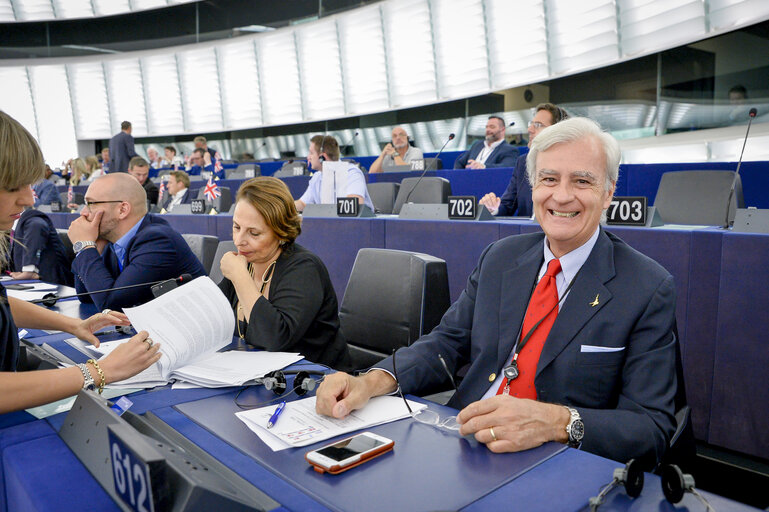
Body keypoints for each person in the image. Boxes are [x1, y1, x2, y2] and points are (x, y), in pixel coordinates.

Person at [316, 117, 678, 467]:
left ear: (608, 192)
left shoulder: (646, 287)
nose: (562, 195)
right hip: (462, 445)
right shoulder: (500, 257)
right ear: (533, 186)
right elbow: (445, 343)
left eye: (582, 181)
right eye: (548, 179)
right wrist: (372, 382)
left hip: (557, 462)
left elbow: (650, 428)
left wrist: (555, 422)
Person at [0, 110, 161, 415]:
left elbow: (2, 303)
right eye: (12, 187)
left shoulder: (155, 237)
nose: (28, 199)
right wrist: (98, 373)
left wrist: (72, 324)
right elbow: (105, 298)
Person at [218, 177, 351, 370]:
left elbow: (274, 338)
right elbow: (211, 316)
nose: (239, 241)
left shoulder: (304, 268)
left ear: (281, 232)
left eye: (254, 233)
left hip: (315, 383)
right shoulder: (245, 261)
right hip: (255, 375)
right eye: (236, 227)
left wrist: (239, 277)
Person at [67, 172, 206, 311]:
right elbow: (86, 296)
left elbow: (111, 305)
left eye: (91, 204)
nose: (83, 212)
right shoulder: (112, 242)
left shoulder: (157, 241)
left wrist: (84, 246)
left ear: (122, 210)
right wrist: (93, 248)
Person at [480, 103, 568, 217]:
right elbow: (507, 205)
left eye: (538, 125)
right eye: (531, 124)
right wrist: (492, 209)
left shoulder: (569, 164)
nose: (530, 129)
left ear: (557, 131)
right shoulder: (523, 162)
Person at [294, 135, 374, 212]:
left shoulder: (351, 173)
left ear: (322, 158)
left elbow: (354, 205)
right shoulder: (317, 177)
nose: (308, 157)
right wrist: (284, 207)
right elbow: (302, 204)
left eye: (311, 153)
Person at [9, 207, 74, 285]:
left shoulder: (33, 220)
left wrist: (29, 271)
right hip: (31, 283)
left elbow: (37, 226)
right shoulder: (12, 225)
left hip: (55, 284)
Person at [454, 116, 518, 169]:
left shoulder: (509, 150)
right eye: (486, 127)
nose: (488, 130)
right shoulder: (477, 145)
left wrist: (484, 167)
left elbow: (506, 167)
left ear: (503, 130)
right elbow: (460, 162)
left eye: (492, 127)